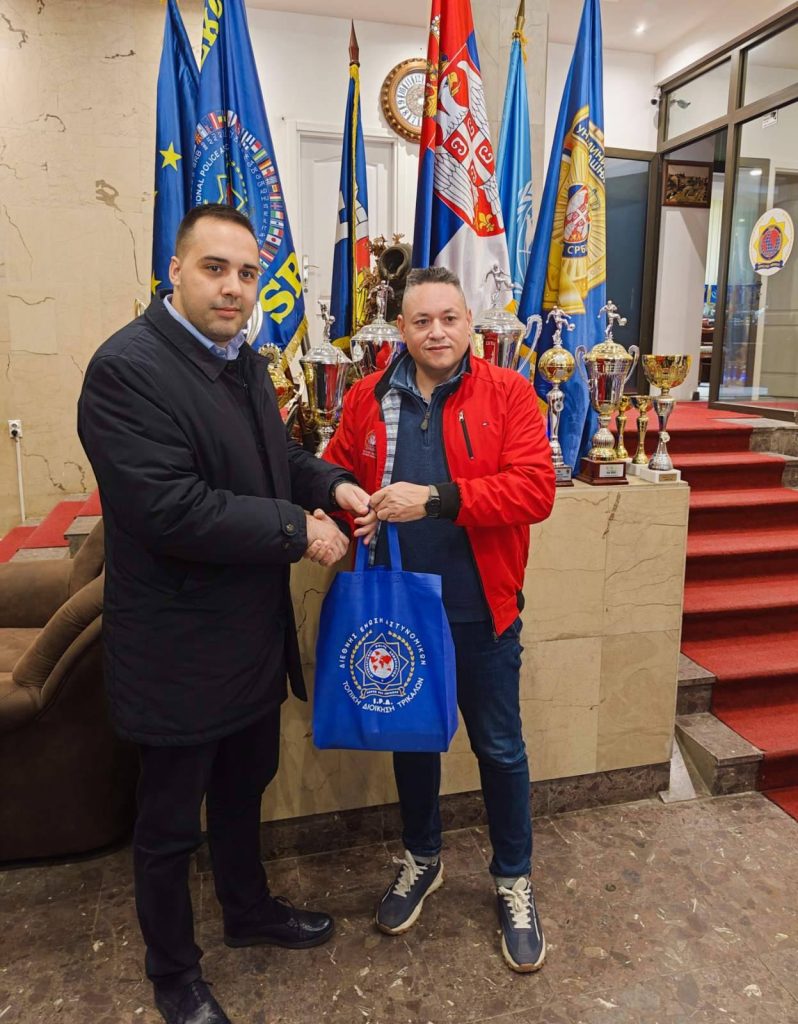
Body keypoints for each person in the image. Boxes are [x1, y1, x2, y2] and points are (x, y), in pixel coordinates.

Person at [77, 204, 371, 1024]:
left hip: (248, 641)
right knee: (170, 825)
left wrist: (332, 484)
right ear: (175, 271)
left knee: (245, 789)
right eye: (214, 268)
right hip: (176, 651)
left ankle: (248, 912)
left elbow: (275, 460)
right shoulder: (127, 370)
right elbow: (171, 508)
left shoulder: (241, 359)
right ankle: (174, 973)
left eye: (246, 273)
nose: (233, 287)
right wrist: (298, 529)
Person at [324, 265, 556, 973]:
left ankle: (513, 879)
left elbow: (535, 490)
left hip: (481, 610)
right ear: (401, 328)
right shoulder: (366, 396)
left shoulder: (510, 392)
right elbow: (334, 471)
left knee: (501, 749)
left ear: (470, 322)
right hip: (397, 612)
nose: (436, 332)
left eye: (449, 318)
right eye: (422, 321)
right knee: (413, 741)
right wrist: (351, 505)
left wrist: (436, 499)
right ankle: (422, 858)